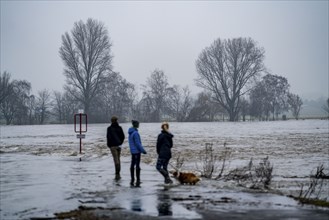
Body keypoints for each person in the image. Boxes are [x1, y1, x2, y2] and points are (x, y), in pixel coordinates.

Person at [128, 120, 147, 187]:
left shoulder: (131, 132)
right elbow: (137, 143)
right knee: (137, 165)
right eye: (138, 124)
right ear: (135, 124)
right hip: (136, 151)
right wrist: (143, 150)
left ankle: (132, 178)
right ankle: (138, 179)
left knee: (132, 164)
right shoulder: (135, 133)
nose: (139, 125)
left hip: (133, 151)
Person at [107, 116, 125, 180]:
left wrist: (109, 145)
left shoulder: (109, 128)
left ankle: (117, 173)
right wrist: (120, 143)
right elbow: (123, 136)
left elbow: (108, 137)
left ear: (111, 121)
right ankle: (118, 172)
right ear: (117, 120)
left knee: (116, 159)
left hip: (112, 146)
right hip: (119, 145)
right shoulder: (120, 128)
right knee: (118, 159)